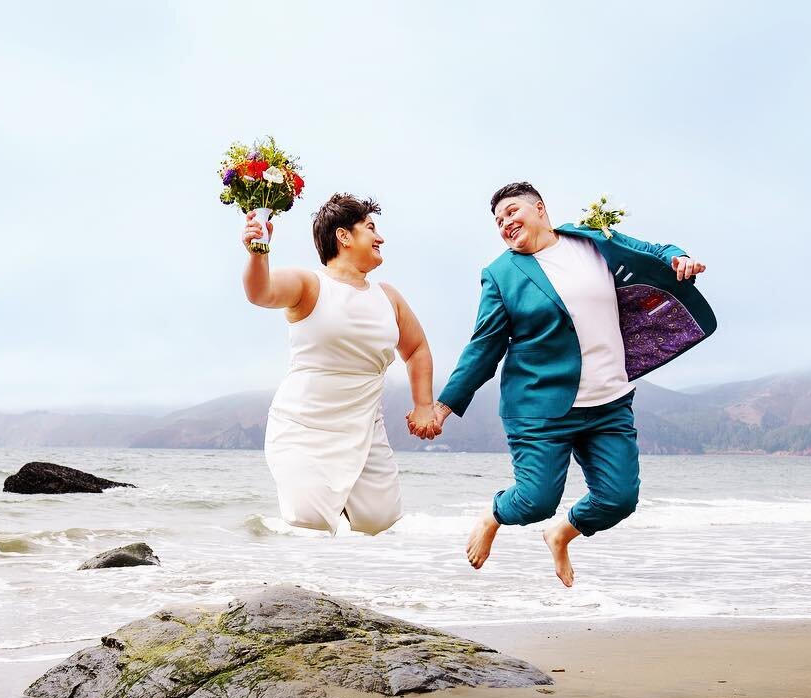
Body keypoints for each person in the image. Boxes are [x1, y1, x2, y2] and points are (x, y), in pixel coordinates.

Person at [433, 182, 707, 585]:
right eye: (498, 220)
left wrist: (678, 257)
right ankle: (492, 516)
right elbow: (484, 346)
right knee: (534, 502)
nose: (506, 223)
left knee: (619, 499)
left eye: (512, 212)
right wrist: (444, 406)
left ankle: (561, 534)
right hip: (540, 408)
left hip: (609, 402)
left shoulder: (591, 239)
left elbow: (653, 251)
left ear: (540, 209)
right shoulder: (500, 274)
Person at [241, 193, 441, 535]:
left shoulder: (388, 296)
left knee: (379, 519)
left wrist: (423, 404)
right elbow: (261, 293)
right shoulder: (310, 284)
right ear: (343, 236)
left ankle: (347, 496)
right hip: (304, 423)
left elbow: (418, 348)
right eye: (371, 228)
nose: (380, 238)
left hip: (364, 425)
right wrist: (258, 252)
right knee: (308, 517)